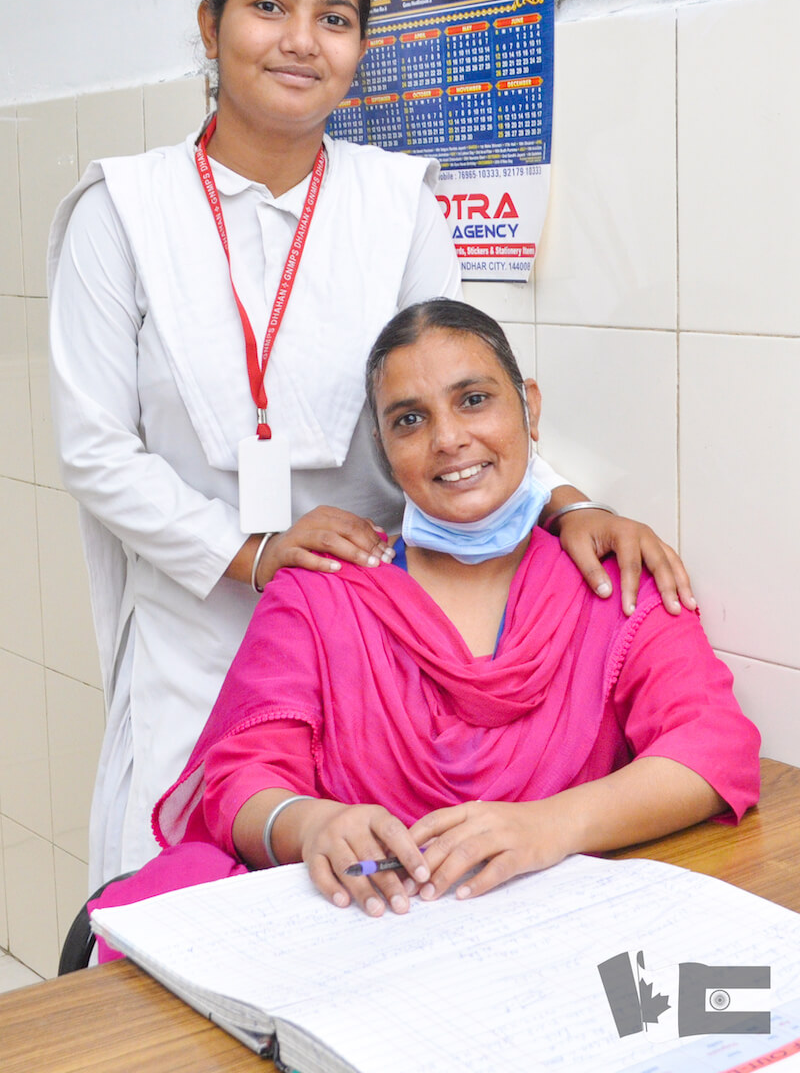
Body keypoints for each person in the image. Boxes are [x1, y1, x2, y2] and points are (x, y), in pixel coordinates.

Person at [49, 0, 693, 888]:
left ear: (361, 45)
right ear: (209, 22)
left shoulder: (398, 201)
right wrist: (252, 553)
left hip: (369, 644)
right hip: (194, 628)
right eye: (269, 7)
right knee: (177, 912)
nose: (301, 40)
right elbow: (95, 450)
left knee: (363, 909)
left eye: (334, 17)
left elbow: (456, 386)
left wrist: (571, 505)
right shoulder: (121, 211)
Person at [90, 298, 757, 942]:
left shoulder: (612, 582)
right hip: (366, 948)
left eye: (474, 399)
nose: (448, 439)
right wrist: (312, 824)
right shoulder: (322, 595)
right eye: (409, 420)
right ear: (383, 448)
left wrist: (549, 828)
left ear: (530, 407)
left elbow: (713, 746)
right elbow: (242, 780)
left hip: (561, 950)